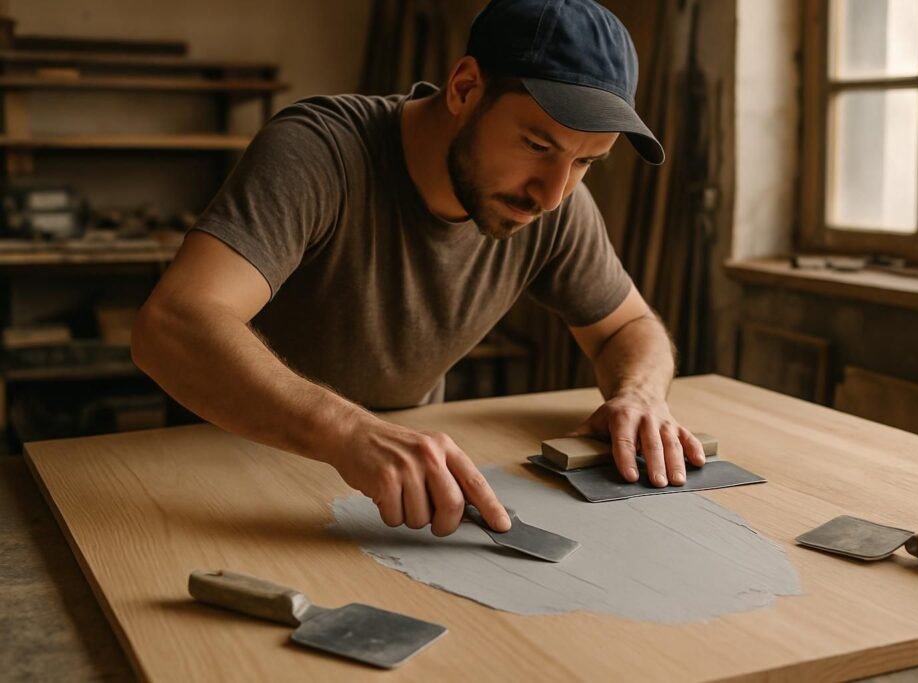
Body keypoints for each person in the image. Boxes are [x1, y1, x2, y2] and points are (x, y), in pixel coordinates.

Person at [131, 0, 705, 540]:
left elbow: (628, 329)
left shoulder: (552, 206)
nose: (552, 193)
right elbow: (173, 325)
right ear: (464, 89)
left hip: (397, 488)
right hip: (218, 469)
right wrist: (350, 432)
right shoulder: (320, 152)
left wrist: (640, 395)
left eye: (585, 162)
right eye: (536, 144)